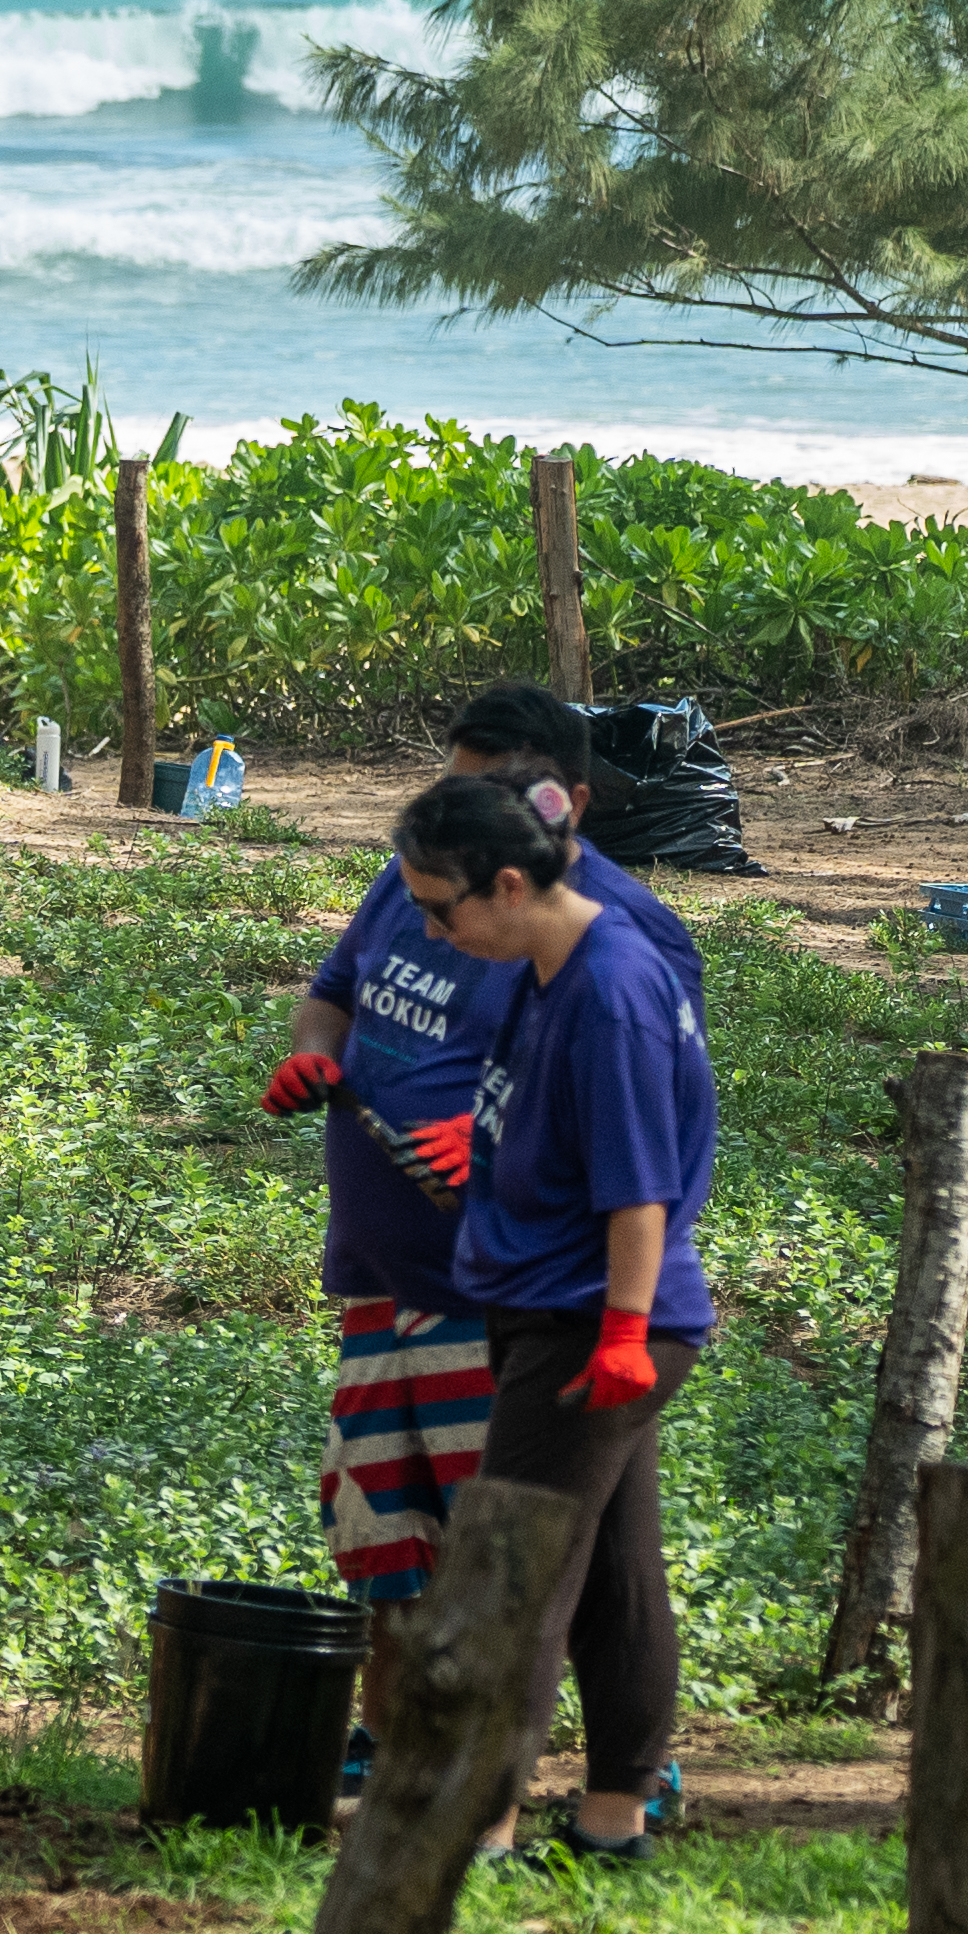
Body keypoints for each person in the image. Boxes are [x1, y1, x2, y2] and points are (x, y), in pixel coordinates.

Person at [263, 682, 703, 1781]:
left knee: (522, 1558)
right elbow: (342, 993)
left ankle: (505, 1794)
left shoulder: (612, 951)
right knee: (404, 1523)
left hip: (530, 1292)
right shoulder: (437, 887)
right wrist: (325, 1053)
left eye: (489, 800)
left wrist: (619, 1312)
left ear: (560, 817)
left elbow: (646, 1153)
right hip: (415, 1268)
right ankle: (461, 1749)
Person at [395, 772, 715, 1873]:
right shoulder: (550, 966)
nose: (435, 931)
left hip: (594, 1319)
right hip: (551, 1303)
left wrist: (623, 1333)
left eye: (444, 909)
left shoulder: (611, 989)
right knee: (617, 1575)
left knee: (517, 1573)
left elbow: (640, 1191)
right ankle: (613, 1821)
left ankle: (472, 1829)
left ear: (514, 881)